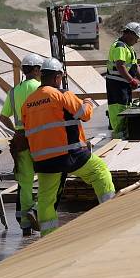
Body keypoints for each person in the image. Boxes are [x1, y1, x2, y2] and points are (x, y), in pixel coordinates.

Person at [22, 57, 115, 236]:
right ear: (57, 77)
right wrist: (87, 102)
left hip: (43, 161)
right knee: (99, 171)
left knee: (46, 198)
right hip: (70, 154)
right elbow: (85, 114)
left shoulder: (28, 103)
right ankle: (110, 213)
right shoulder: (61, 94)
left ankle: (48, 237)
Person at [0, 53, 44, 236]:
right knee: (48, 178)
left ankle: (26, 223)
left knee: (25, 183)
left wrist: (16, 130)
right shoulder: (41, 88)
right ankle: (40, 212)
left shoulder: (13, 92)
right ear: (35, 69)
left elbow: (3, 117)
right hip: (40, 137)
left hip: (21, 139)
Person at [106, 22, 140, 138]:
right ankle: (118, 134)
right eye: (136, 38)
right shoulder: (119, 46)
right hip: (116, 85)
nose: (136, 41)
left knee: (125, 107)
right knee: (118, 108)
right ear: (129, 34)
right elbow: (120, 65)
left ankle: (124, 132)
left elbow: (136, 67)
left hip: (123, 85)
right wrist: (131, 80)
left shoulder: (129, 49)